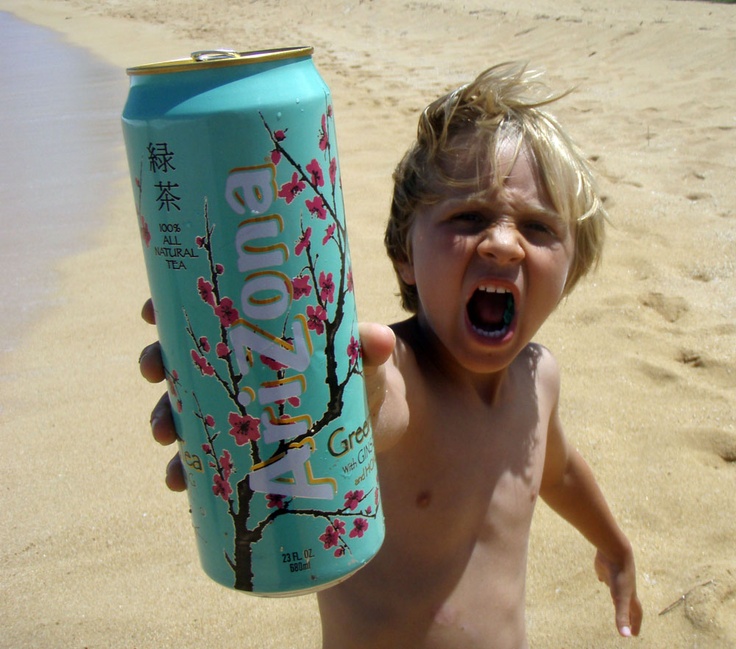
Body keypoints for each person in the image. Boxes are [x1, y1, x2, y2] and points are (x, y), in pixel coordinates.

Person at [139, 62, 642, 648]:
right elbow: (375, 406)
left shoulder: (540, 377)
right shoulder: (402, 371)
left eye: (537, 228)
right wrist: (342, 390)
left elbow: (554, 470)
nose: (504, 243)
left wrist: (613, 544)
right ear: (406, 254)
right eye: (469, 217)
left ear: (572, 268)